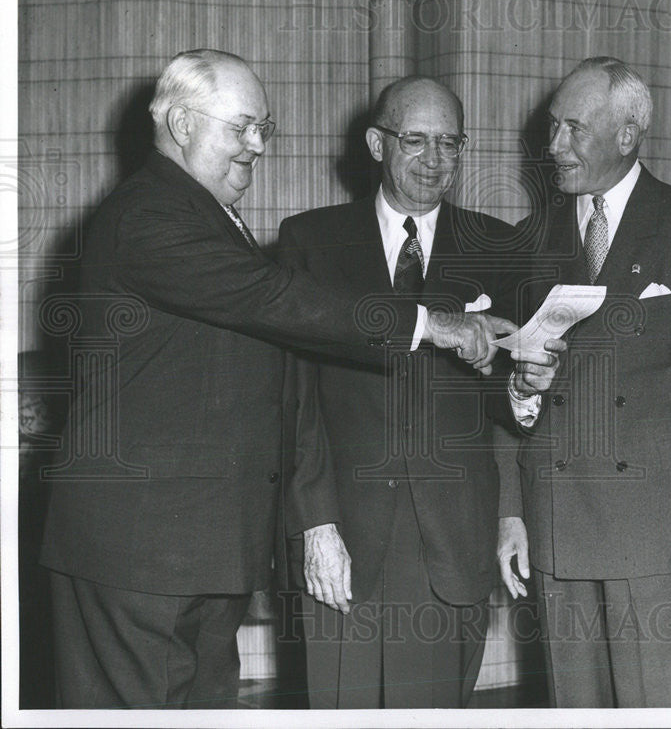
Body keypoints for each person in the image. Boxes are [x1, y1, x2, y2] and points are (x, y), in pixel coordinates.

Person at [38, 50, 514, 709]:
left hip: (197, 550)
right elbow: (271, 298)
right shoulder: (149, 215)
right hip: (137, 555)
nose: (256, 146)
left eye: (264, 127)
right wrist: (428, 324)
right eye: (240, 127)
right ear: (180, 123)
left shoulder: (206, 215)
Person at [277, 75, 531, 708]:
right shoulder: (311, 241)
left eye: (449, 142)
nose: (434, 159)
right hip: (344, 538)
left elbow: (509, 399)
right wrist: (315, 524)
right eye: (415, 140)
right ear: (375, 143)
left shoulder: (500, 246)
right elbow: (294, 397)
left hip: (455, 536)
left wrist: (510, 512)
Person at [497, 57, 671, 707]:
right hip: (556, 521)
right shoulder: (531, 239)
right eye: (552, 128)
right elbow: (500, 391)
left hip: (655, 530)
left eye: (573, 128)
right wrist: (510, 509)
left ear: (627, 135)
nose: (553, 147)